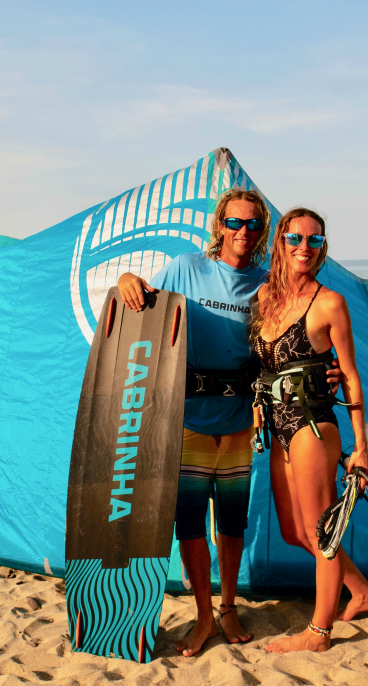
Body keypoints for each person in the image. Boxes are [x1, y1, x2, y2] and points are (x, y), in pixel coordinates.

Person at [118, 189, 266, 656]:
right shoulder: (187, 267)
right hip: (189, 420)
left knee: (233, 524)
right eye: (235, 223)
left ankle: (227, 607)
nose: (243, 232)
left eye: (253, 225)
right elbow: (143, 299)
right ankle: (204, 614)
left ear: (262, 233)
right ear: (220, 225)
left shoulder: (266, 285)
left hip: (239, 422)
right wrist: (125, 278)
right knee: (190, 525)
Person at [249, 207, 368, 654]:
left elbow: (349, 374)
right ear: (280, 244)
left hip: (312, 425)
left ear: (322, 247)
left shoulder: (329, 303)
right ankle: (363, 593)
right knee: (294, 531)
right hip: (277, 429)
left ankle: (318, 632)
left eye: (314, 240)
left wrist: (360, 447)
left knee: (322, 532)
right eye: (295, 238)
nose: (304, 247)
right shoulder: (262, 300)